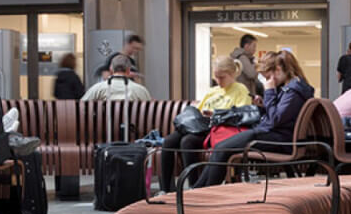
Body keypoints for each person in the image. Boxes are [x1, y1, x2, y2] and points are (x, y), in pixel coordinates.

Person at [192, 51, 314, 189]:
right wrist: (264, 104)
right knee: (221, 149)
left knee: (221, 149)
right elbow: (277, 115)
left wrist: (269, 92)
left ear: (278, 70)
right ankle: (199, 189)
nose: (267, 81)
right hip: (272, 135)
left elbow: (275, 120)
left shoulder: (293, 91)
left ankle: (202, 191)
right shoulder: (291, 88)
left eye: (268, 77)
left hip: (279, 140)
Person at [160, 56, 251, 192]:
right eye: (216, 77)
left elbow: (241, 114)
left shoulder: (241, 90)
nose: (218, 81)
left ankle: (195, 187)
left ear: (232, 74)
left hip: (217, 130)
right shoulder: (213, 91)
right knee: (168, 142)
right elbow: (199, 109)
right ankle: (166, 189)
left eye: (222, 77)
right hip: (201, 125)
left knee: (187, 141)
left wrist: (215, 114)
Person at [81, 54, 152, 101]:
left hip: (105, 124)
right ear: (128, 70)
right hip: (131, 123)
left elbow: (82, 105)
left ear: (111, 70)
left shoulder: (98, 88)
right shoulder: (140, 90)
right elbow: (149, 110)